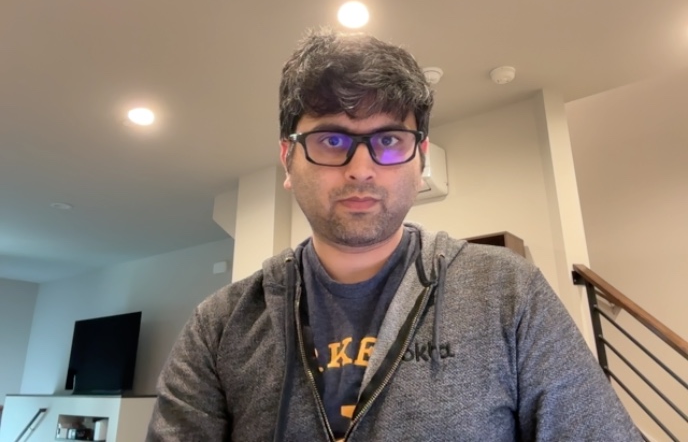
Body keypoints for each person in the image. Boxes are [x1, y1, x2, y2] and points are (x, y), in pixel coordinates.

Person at [147, 28, 642, 441]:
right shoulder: (219, 326)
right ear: (288, 158)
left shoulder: (508, 293)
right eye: (331, 139)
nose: (361, 168)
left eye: (388, 140)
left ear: (420, 158)